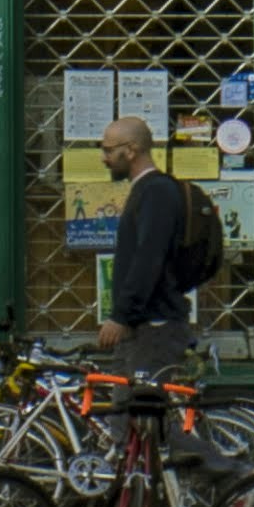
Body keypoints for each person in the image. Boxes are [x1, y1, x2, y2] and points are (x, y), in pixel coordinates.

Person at [101, 112, 223, 370]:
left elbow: (149, 257)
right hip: (145, 325)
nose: (104, 159)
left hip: (155, 327)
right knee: (125, 406)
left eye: (109, 151)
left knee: (137, 406)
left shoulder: (156, 191)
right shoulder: (147, 190)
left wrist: (122, 315)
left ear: (131, 150)